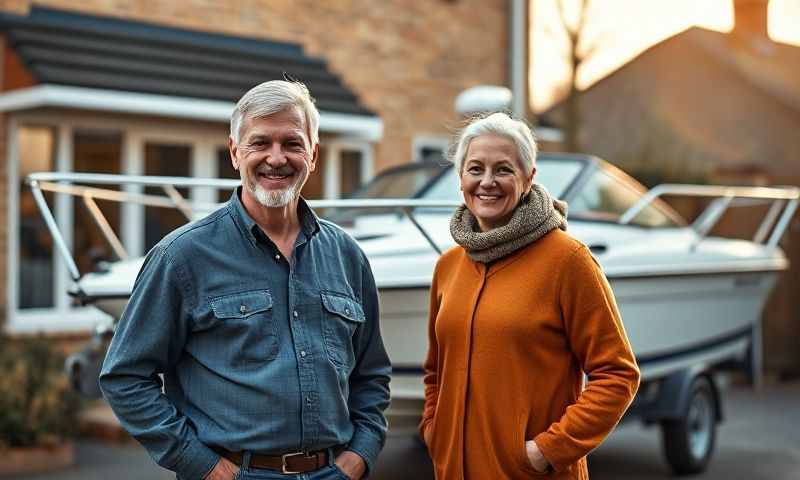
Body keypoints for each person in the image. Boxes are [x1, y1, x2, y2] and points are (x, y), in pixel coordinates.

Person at [100, 80, 391, 480]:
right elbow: (125, 377)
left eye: (292, 143)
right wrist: (205, 467)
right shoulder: (183, 256)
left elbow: (371, 375)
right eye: (260, 143)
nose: (277, 158)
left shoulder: (347, 256)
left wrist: (359, 456)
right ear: (235, 153)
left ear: (314, 154)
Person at [419, 112, 640, 479]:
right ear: (461, 179)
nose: (487, 182)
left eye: (503, 169)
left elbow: (617, 375)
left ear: (529, 177)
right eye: (475, 169)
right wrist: (434, 430)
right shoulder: (449, 265)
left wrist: (547, 451)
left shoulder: (568, 260)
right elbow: (435, 371)